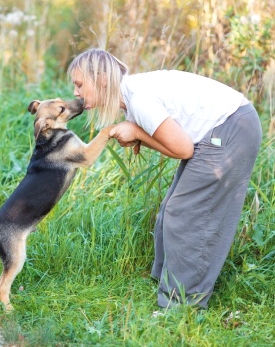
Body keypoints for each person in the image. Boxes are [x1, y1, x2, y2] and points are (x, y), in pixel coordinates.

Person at [67, 48, 262, 309]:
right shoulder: (132, 96)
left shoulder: (139, 100)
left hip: (231, 128)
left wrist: (136, 131)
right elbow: (177, 144)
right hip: (223, 127)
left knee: (186, 214)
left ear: (101, 77)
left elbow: (182, 150)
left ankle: (182, 306)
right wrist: (138, 134)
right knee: (170, 210)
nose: (76, 92)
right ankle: (165, 284)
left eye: (80, 84)